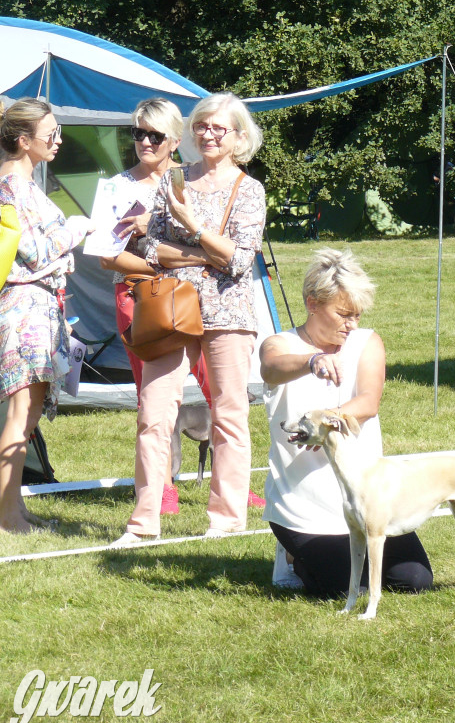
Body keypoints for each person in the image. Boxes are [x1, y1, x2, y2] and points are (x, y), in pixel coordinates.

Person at [112, 92, 266, 545]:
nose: (209, 134)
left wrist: (191, 225)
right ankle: (143, 524)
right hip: (171, 312)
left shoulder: (249, 189)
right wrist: (203, 254)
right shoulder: (173, 179)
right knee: (154, 414)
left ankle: (226, 518)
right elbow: (149, 249)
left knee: (230, 417)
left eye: (220, 127)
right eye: (203, 125)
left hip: (227, 314)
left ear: (239, 137)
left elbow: (239, 262)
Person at [260, 247, 433, 597]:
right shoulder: (279, 344)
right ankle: (291, 554)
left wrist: (323, 426)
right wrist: (312, 361)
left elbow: (368, 403)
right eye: (343, 314)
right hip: (302, 503)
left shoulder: (366, 343)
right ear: (312, 303)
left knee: (415, 580)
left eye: (356, 315)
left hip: (366, 497)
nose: (351, 324)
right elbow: (270, 368)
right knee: (342, 586)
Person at [99, 98, 215, 516]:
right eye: (138, 133)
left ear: (175, 141)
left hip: (198, 296)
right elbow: (106, 256)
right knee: (152, 398)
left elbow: (211, 241)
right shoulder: (117, 187)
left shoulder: (192, 183)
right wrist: (161, 262)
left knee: (217, 387)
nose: (145, 142)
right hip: (140, 297)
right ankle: (160, 488)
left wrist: (186, 256)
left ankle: (227, 484)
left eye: (155, 135)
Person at [0, 99, 92, 533]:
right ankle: (7, 516)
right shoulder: (10, 185)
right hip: (24, 307)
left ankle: (13, 509)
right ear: (23, 140)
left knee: (29, 414)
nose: (58, 140)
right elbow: (34, 253)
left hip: (40, 305)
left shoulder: (26, 184)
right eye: (50, 134)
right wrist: (78, 228)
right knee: (21, 413)